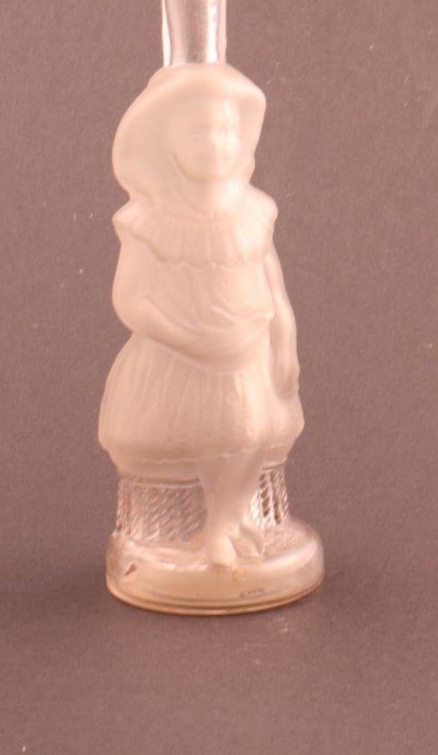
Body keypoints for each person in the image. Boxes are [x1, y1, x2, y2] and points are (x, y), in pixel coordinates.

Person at [99, 63, 304, 567]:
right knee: (212, 434)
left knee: (252, 432)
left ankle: (228, 523)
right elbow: (130, 299)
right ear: (167, 146)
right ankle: (213, 530)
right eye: (198, 133)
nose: (216, 144)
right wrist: (186, 339)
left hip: (246, 346)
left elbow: (272, 283)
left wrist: (286, 342)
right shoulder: (150, 221)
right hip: (183, 357)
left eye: (226, 131)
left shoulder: (253, 212)